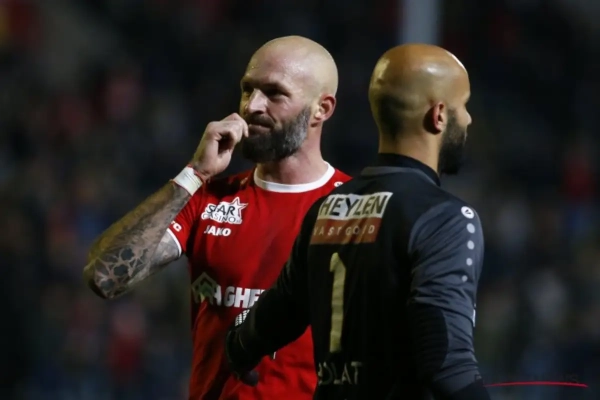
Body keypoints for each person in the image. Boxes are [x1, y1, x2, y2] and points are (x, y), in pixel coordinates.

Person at [83, 35, 350, 400]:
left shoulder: (355, 207)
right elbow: (104, 276)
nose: (252, 106)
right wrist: (194, 174)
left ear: (322, 108)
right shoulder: (207, 197)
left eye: (274, 93)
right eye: (247, 89)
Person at [225, 44, 491, 400]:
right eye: (464, 106)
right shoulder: (445, 219)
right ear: (439, 115)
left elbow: (264, 324)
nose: (469, 119)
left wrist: (238, 350)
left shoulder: (326, 210)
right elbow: (447, 366)